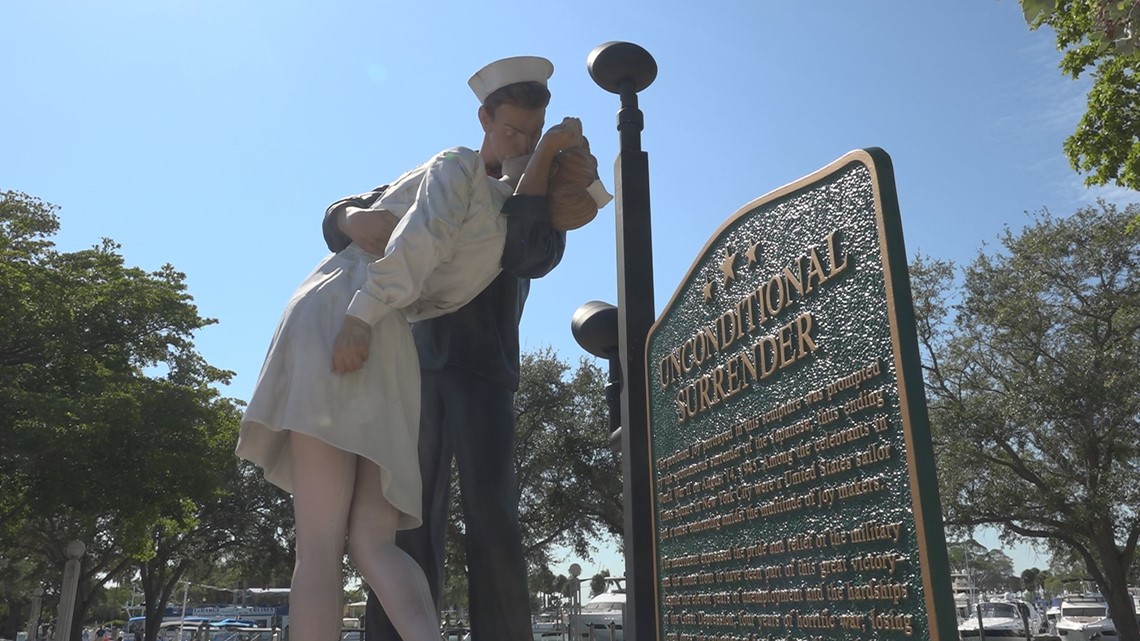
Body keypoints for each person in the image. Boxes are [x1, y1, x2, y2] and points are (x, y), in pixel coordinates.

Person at [239, 55, 607, 641]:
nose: (520, 143)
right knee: (390, 532)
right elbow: (369, 220)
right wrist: (349, 217)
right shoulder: (452, 167)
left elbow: (527, 253)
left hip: (465, 363)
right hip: (395, 349)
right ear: (484, 118)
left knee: (479, 519)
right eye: (512, 130)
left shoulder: (529, 206)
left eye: (531, 137)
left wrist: (543, 173)